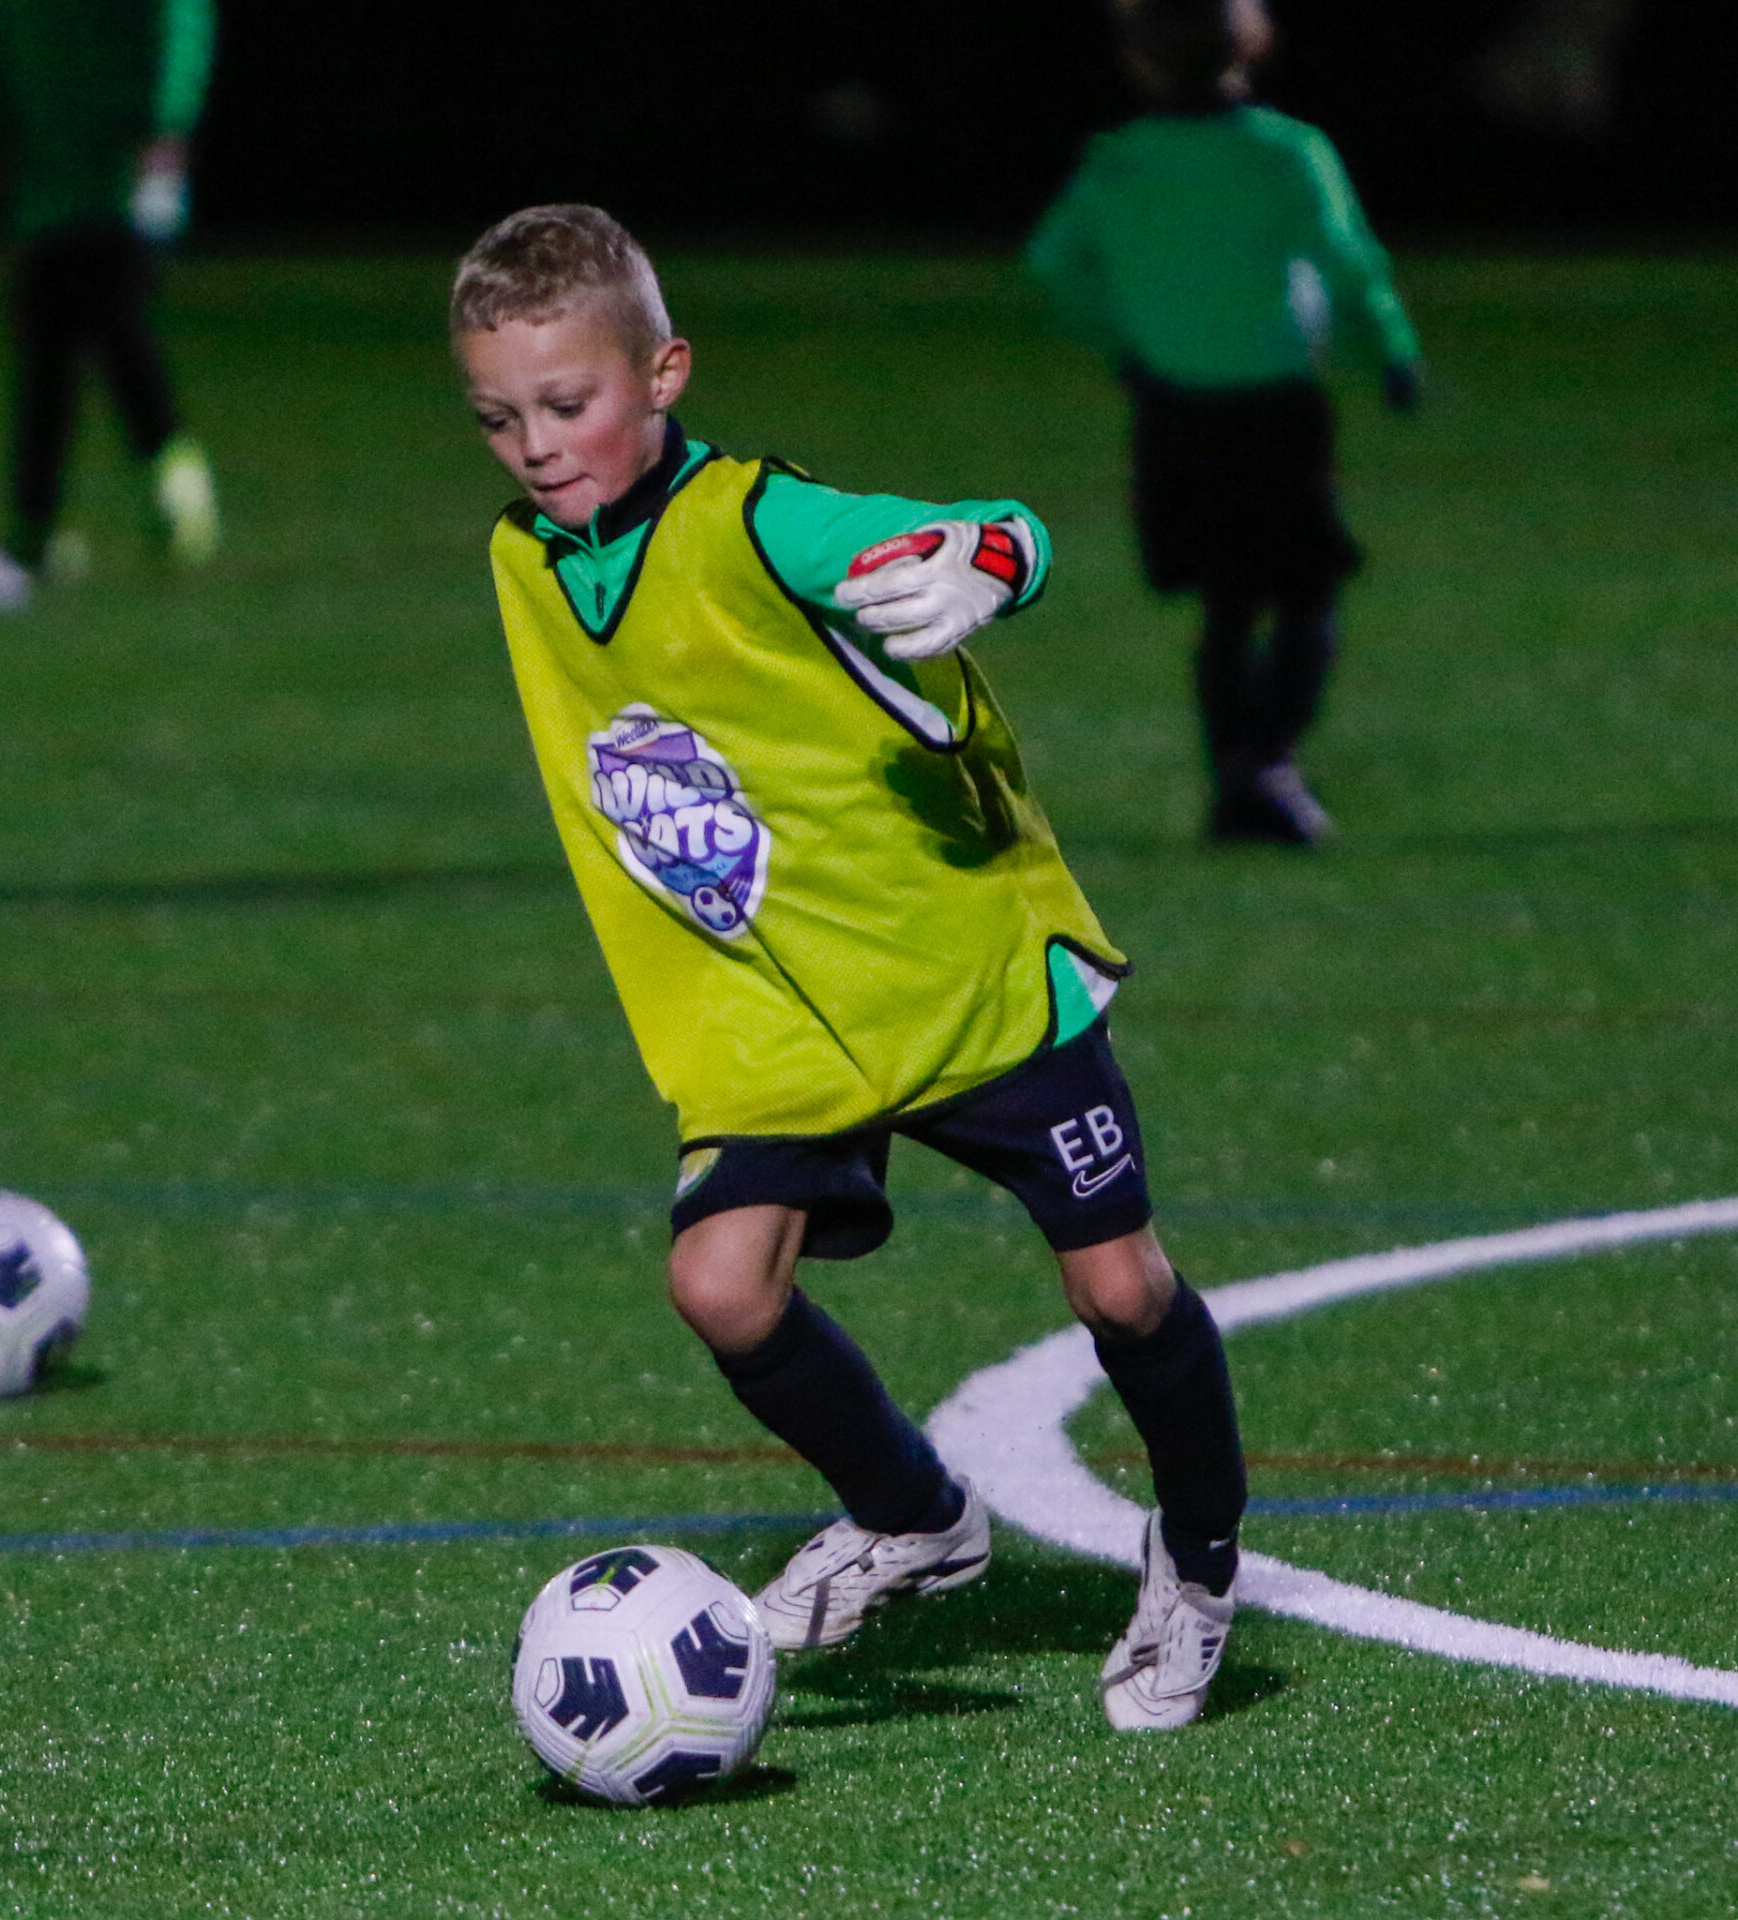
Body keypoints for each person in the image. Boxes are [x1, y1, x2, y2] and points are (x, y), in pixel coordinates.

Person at [455, 204, 1248, 1731]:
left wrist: (983, 568)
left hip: (959, 973)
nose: (537, 447)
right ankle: (914, 1517)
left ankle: (1199, 1561)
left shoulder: (757, 521)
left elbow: (990, 529)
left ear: (664, 373)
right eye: (499, 418)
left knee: (1117, 1287)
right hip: (776, 1009)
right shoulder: (525, 559)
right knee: (719, 1288)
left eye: (567, 404)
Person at [1027, 0, 1422, 844]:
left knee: (1228, 601)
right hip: (1276, 402)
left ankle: (1237, 783)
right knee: (1307, 588)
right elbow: (1347, 258)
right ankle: (1266, 764)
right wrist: (1392, 348)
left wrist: (1127, 341)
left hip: (1175, 406)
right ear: (1251, 44)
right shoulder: (1285, 151)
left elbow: (1055, 263)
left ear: (1140, 58)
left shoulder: (1121, 161)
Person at [0, 0, 220, 613]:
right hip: (46, 163)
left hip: (122, 161)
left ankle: (173, 484)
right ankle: (38, 527)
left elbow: (176, 17)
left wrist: (164, 117)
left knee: (112, 318)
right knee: (47, 342)